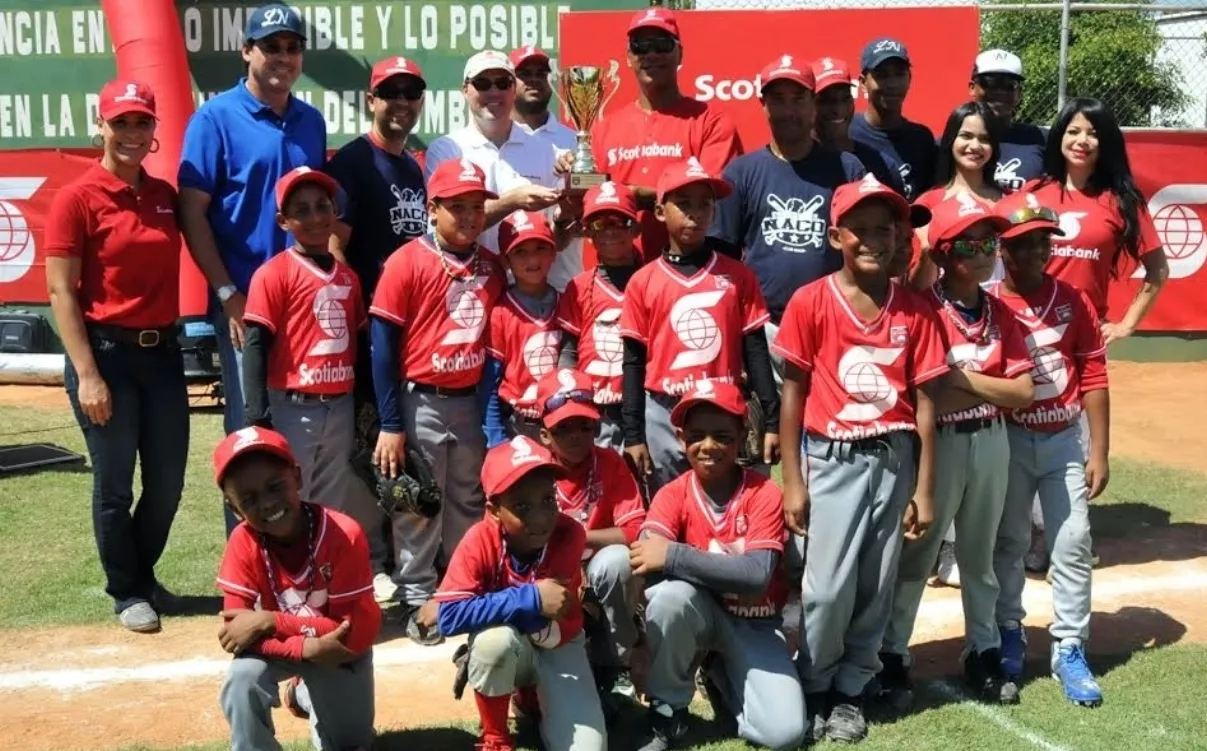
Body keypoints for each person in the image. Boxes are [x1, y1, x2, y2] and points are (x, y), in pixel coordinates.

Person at [772, 175, 944, 744]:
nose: (872, 240)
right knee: (825, 588)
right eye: (859, 230)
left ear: (899, 237)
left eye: (883, 230)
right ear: (835, 235)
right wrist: (793, 479)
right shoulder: (811, 301)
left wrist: (923, 488)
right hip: (832, 459)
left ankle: (850, 689)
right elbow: (792, 393)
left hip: (893, 460)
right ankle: (815, 681)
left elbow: (923, 404)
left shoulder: (916, 310)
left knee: (875, 583)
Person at [877, 196, 1035, 711]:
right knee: (917, 555)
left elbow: (1024, 393)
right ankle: (893, 655)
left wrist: (964, 380)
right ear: (943, 254)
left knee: (979, 555)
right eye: (970, 243)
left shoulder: (1001, 312)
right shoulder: (922, 310)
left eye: (990, 242)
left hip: (991, 441)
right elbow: (928, 395)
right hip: (937, 443)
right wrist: (988, 385)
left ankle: (983, 651)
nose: (985, 252)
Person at [44, 79, 189, 634]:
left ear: (154, 130)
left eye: (141, 122)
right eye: (120, 122)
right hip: (105, 355)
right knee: (114, 482)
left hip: (163, 354)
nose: (131, 133)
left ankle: (143, 575)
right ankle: (126, 590)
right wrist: (86, 374)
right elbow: (60, 291)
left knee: (169, 481)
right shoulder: (77, 198)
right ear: (99, 126)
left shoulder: (163, 196)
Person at [178, 3, 326, 534]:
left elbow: (317, 213)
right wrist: (225, 293)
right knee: (249, 432)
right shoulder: (215, 118)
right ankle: (247, 566)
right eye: (271, 46)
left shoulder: (311, 120)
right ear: (247, 51)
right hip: (245, 304)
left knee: (302, 432)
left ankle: (300, 560)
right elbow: (191, 211)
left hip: (306, 305)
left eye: (292, 47)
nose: (283, 57)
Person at [1021, 97, 1168, 572]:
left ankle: (1056, 533)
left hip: (1080, 340)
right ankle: (1018, 532)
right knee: (1019, 432)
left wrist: (1126, 323)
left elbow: (1157, 270)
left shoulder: (1121, 201)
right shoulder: (1034, 194)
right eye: (1073, 131)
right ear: (1059, 137)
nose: (1082, 141)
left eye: (1093, 133)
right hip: (1025, 332)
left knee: (1072, 438)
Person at [369, 159, 506, 645]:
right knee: (420, 501)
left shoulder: (492, 268)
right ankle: (415, 597)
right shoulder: (407, 260)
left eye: (477, 207)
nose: (469, 216)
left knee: (468, 499)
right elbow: (383, 346)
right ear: (432, 208)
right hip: (420, 398)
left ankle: (460, 589)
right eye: (458, 207)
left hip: (469, 400)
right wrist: (390, 421)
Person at [633, 379, 805, 751]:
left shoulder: (764, 493)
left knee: (784, 734)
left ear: (743, 435)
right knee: (668, 597)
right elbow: (647, 557)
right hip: (701, 615)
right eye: (696, 435)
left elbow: (756, 575)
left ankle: (719, 673)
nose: (708, 446)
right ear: (681, 438)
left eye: (722, 435)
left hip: (756, 622)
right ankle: (668, 708)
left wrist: (675, 555)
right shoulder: (672, 493)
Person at [989, 191, 1110, 708]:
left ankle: (1069, 646)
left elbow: (1094, 374)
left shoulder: (1073, 299)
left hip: (1063, 437)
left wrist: (1099, 450)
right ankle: (1009, 632)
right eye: (1026, 245)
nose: (1039, 253)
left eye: (1045, 243)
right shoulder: (990, 301)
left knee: (1073, 541)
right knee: (1010, 541)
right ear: (1005, 250)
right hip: (1009, 440)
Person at [322, 55, 429, 604]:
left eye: (411, 93)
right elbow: (335, 241)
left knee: (401, 448)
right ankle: (369, 560)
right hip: (371, 332)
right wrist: (355, 313)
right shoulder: (353, 163)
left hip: (416, 335)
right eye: (391, 93)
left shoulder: (413, 167)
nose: (402, 102)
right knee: (368, 448)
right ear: (372, 99)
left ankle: (395, 556)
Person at [241, 167, 385, 564]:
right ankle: (283, 574)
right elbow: (256, 345)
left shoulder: (348, 277)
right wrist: (258, 415)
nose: (316, 217)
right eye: (301, 210)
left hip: (337, 403)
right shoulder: (274, 274)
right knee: (289, 495)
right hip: (291, 402)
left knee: (331, 495)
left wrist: (365, 403)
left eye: (323, 206)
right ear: (283, 221)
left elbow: (358, 344)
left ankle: (323, 572)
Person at [430, 435, 608, 751]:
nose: (540, 517)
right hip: (513, 642)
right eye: (521, 506)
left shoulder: (569, 532)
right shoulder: (479, 538)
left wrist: (487, 609)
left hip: (559, 644)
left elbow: (554, 610)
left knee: (588, 748)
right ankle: (496, 738)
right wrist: (531, 598)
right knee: (493, 642)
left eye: (548, 500)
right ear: (494, 510)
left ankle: (528, 698)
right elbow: (447, 617)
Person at [213, 426, 381, 751]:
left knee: (351, 745)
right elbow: (235, 634)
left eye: (275, 486)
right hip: (291, 649)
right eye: (248, 499)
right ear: (234, 509)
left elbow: (352, 633)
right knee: (242, 680)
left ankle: (304, 692)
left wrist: (269, 622)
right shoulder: (242, 542)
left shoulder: (343, 534)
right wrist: (302, 649)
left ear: (298, 477)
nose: (267, 503)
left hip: (341, 652)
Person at [619, 159, 779, 495]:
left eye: (704, 205)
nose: (695, 213)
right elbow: (633, 362)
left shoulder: (738, 276)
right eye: (684, 204)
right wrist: (633, 434)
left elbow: (756, 350)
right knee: (669, 504)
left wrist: (772, 420)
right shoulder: (643, 281)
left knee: (729, 504)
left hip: (724, 408)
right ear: (660, 212)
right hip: (664, 409)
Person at [708, 54, 866, 385]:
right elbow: (719, 267)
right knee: (768, 433)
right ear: (763, 105)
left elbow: (866, 250)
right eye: (777, 100)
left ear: (814, 104)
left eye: (798, 99)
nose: (788, 111)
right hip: (762, 332)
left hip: (833, 327)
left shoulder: (848, 169)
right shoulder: (740, 173)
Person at [590, 7, 743, 261]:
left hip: (687, 273)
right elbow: (591, 201)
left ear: (679, 53)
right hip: (618, 274)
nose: (651, 54)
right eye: (641, 46)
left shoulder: (711, 121)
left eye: (662, 45)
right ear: (629, 56)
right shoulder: (604, 128)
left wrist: (643, 197)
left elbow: (713, 199)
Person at [535, 368, 646, 715]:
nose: (576, 436)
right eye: (563, 428)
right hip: (551, 579)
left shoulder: (610, 462)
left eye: (585, 426)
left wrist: (575, 535)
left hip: (599, 575)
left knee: (616, 562)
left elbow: (635, 529)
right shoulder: (532, 469)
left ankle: (620, 662)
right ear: (544, 435)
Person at [424, 50, 580, 290]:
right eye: (483, 83)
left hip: (533, 294)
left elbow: (558, 241)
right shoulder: (447, 149)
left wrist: (571, 207)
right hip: (469, 291)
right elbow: (444, 230)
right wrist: (512, 201)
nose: (494, 92)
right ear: (464, 90)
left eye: (503, 83)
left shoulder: (547, 150)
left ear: (513, 89)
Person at [556, 182, 642, 452]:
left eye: (619, 221)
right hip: (593, 412)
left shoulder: (651, 280)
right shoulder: (579, 286)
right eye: (599, 223)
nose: (610, 231)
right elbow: (569, 350)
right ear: (587, 232)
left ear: (635, 228)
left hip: (640, 410)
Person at [909, 101, 1005, 331]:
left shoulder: (1009, 203)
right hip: (941, 324)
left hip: (1001, 325)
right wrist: (926, 253)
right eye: (966, 136)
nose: (975, 145)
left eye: (984, 139)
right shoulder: (926, 205)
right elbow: (917, 287)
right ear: (951, 140)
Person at [481, 211, 563, 446]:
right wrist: (495, 436)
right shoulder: (500, 312)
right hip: (517, 424)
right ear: (506, 259)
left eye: (540, 248)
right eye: (520, 252)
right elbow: (491, 380)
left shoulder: (567, 303)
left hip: (562, 423)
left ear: (553, 253)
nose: (532, 260)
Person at [849, 38, 938, 201]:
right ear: (863, 82)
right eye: (881, 75)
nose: (892, 84)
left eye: (899, 74)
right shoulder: (847, 131)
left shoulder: (922, 139)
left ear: (909, 78)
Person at [811, 56, 906, 194]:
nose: (838, 109)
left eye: (845, 98)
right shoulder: (789, 163)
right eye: (825, 100)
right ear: (807, 103)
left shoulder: (883, 165)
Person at [969, 49, 1046, 194]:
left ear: (1019, 93)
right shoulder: (951, 142)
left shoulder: (1040, 139)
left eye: (1009, 84)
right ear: (972, 88)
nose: (1000, 91)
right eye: (989, 82)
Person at [511, 45, 577, 152]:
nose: (534, 79)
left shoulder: (572, 141)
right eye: (525, 74)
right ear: (509, 81)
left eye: (541, 74)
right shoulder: (497, 137)